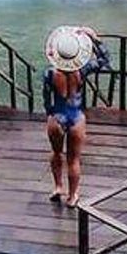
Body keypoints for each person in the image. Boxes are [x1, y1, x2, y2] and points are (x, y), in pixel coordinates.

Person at [42, 25, 110, 208]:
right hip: (76, 117)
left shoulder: (49, 73)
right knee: (74, 159)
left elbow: (47, 101)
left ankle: (58, 187)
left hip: (57, 117)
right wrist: (94, 39)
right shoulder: (83, 71)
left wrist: (50, 114)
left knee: (56, 153)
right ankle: (73, 197)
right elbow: (104, 60)